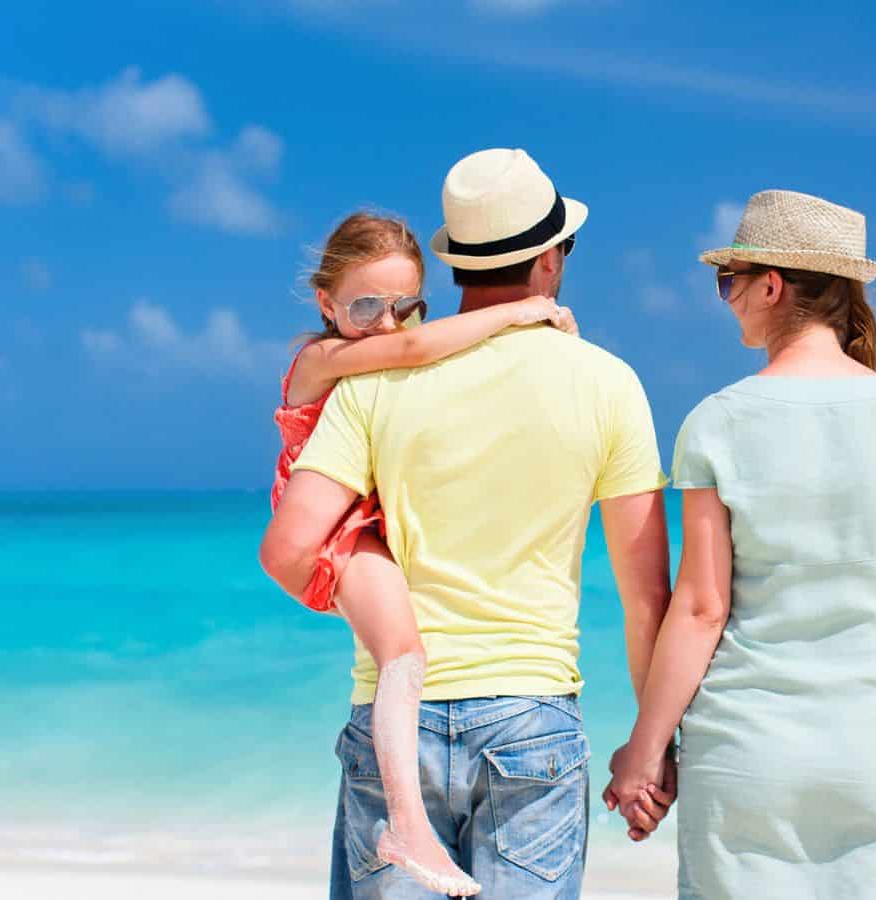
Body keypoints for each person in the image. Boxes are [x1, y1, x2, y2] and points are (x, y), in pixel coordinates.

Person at [260, 149, 677, 899]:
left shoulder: (373, 380)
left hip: (394, 721)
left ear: (453, 268)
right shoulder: (609, 385)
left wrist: (344, 584)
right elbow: (647, 598)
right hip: (531, 717)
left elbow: (291, 547)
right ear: (550, 260)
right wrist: (651, 749)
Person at [606, 190, 876, 899]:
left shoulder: (718, 422)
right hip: (874, 744)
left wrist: (645, 751)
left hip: (747, 745)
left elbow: (703, 608)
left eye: (728, 280)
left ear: (771, 285)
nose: (726, 298)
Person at [267, 210, 576, 896]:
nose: (384, 323)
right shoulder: (321, 358)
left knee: (399, 655)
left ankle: (408, 822)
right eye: (366, 305)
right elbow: (413, 352)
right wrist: (522, 311)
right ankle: (407, 824)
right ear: (326, 302)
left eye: (405, 306)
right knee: (403, 657)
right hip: (337, 528)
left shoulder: (372, 357)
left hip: (361, 521)